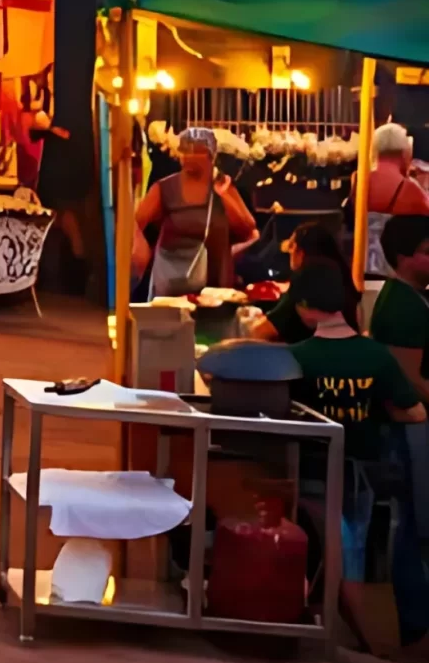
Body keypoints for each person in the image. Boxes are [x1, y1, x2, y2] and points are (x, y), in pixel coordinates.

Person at [286, 262, 427, 605]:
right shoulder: (375, 355)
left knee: (310, 540)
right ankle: (353, 615)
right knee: (354, 547)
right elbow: (416, 413)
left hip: (309, 469)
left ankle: (317, 608)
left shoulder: (296, 357)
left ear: (303, 306)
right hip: (362, 469)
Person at [132, 128, 256, 297]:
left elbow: (248, 228)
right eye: (185, 150)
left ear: (211, 156)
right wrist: (140, 257)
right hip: (171, 285)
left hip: (215, 287)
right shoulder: (164, 189)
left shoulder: (223, 186)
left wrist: (223, 195)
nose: (188, 156)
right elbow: (135, 226)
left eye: (196, 151)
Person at [251, 220, 350, 344]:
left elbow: (259, 332)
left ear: (301, 253)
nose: (289, 251)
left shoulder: (304, 285)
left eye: (292, 246)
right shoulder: (347, 283)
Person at [365, 121, 429, 276]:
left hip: (363, 263)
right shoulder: (409, 188)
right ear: (404, 152)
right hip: (393, 267)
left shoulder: (359, 181)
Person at [373, 214, 429, 387]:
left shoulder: (413, 294)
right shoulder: (402, 307)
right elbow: (411, 380)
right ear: (402, 258)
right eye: (428, 252)